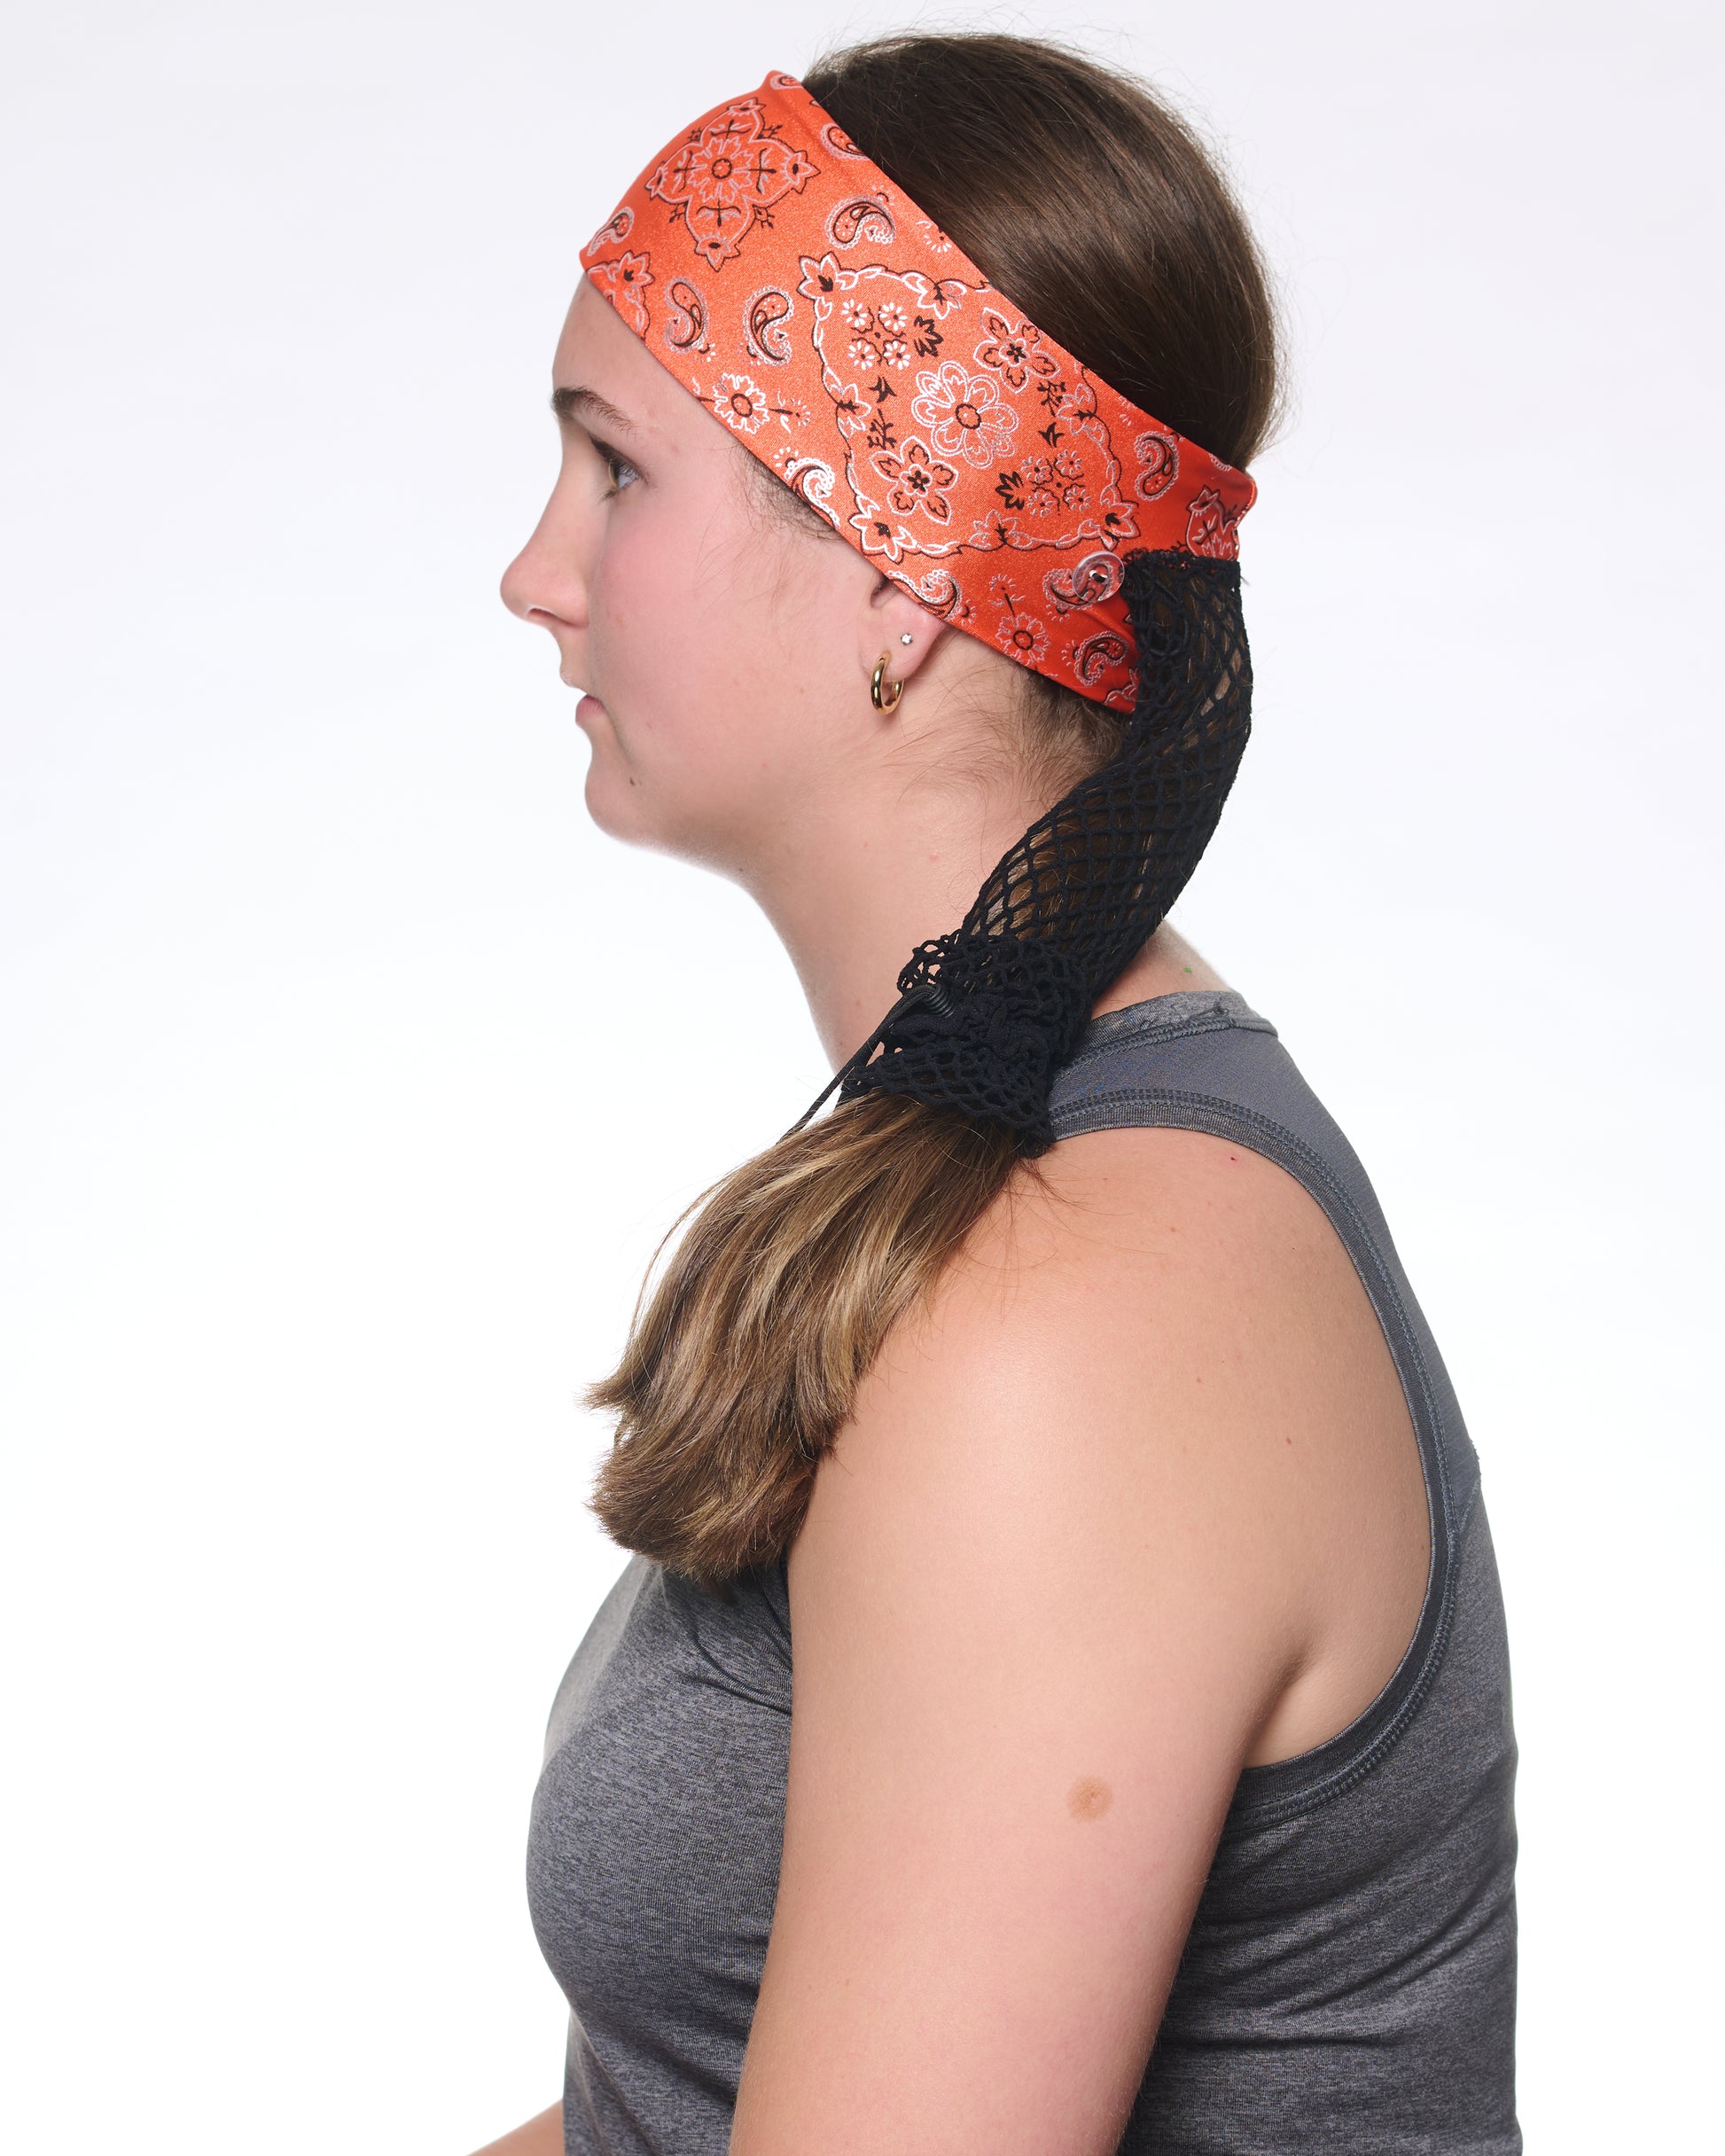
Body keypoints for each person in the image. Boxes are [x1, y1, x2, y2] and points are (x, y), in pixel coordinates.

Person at [483, 31, 1518, 2156]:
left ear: (895, 571)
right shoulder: (998, 1179)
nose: (535, 570)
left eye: (612, 465)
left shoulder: (1074, 1316)